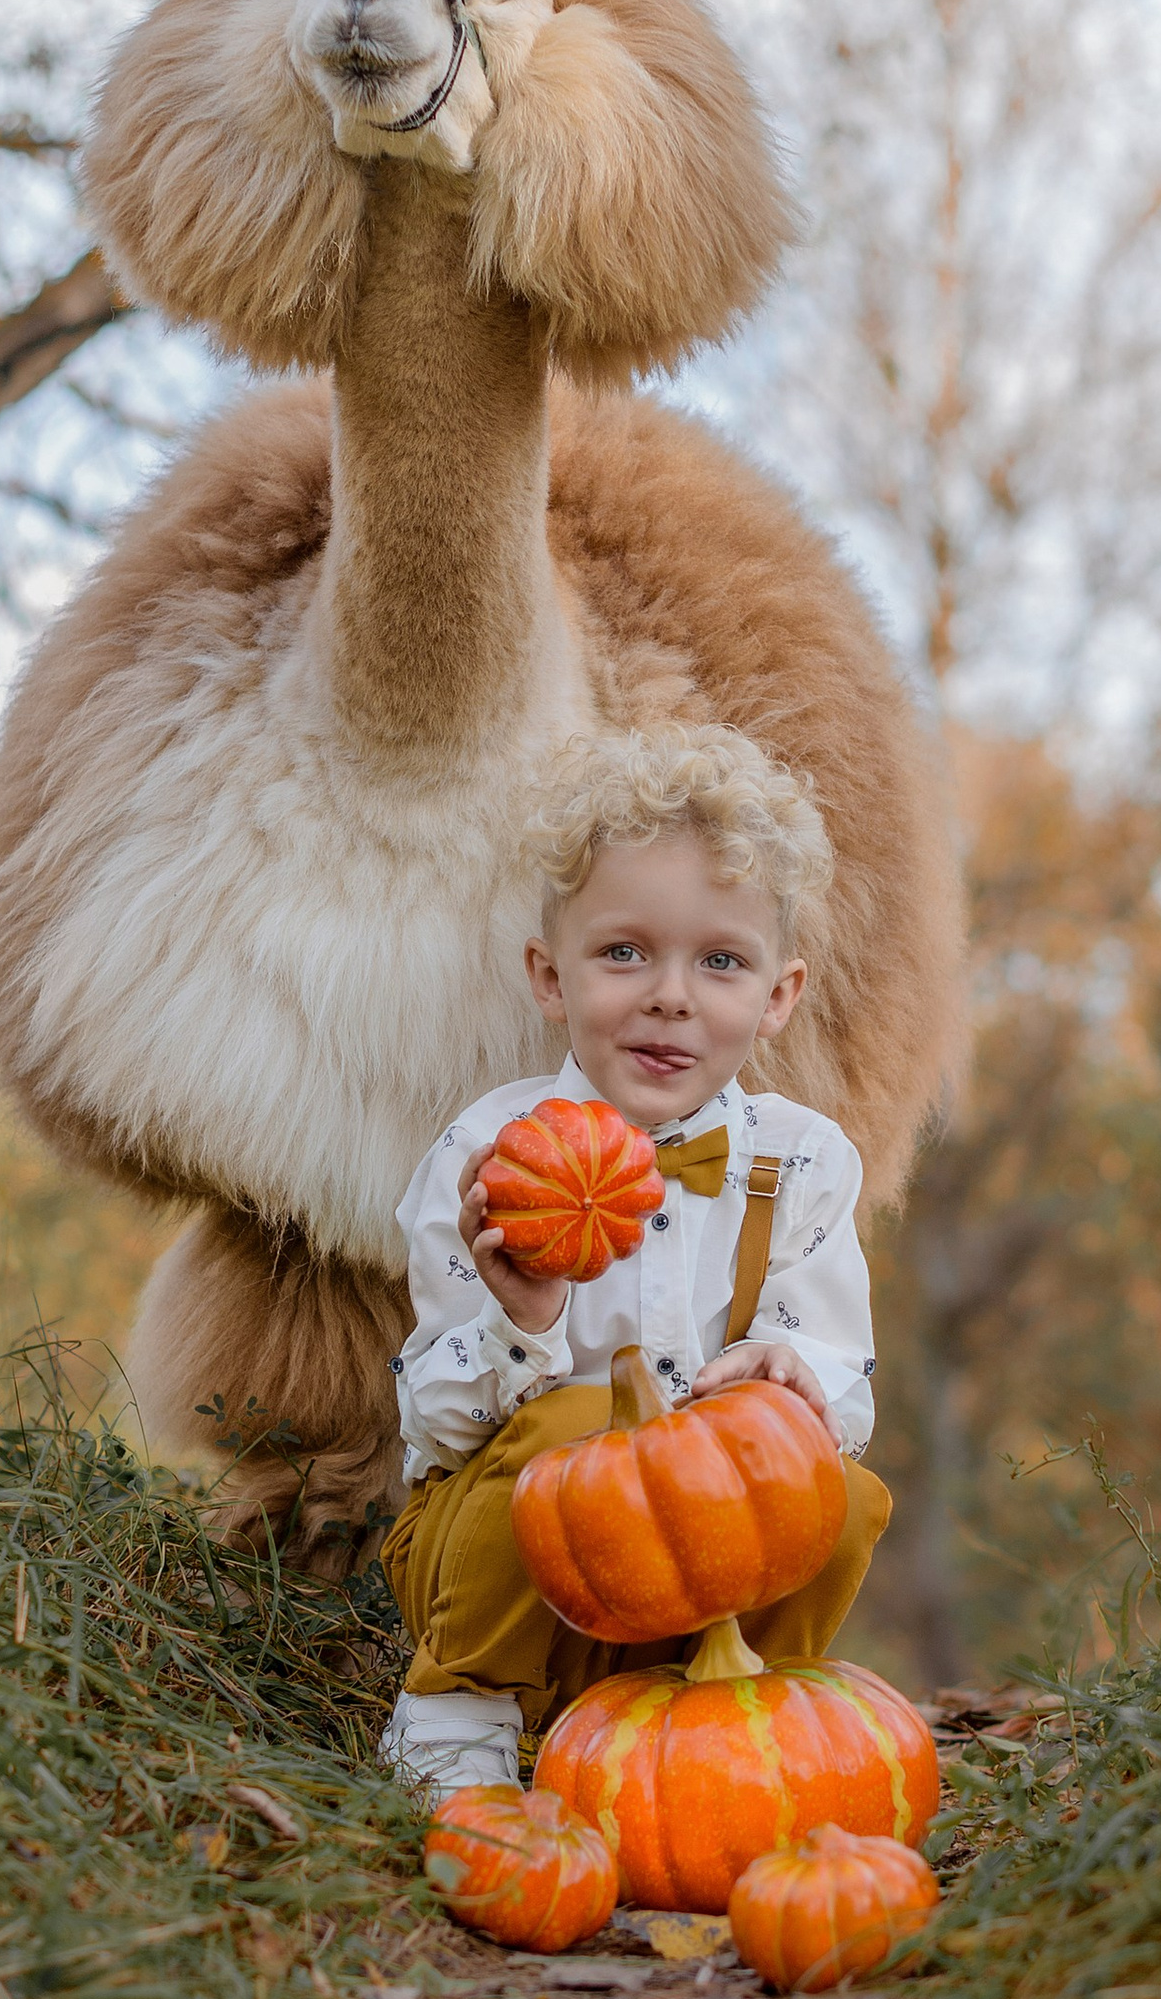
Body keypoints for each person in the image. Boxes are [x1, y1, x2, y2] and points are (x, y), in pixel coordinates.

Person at [378, 724, 890, 1802]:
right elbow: (434, 1429)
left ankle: (727, 1715)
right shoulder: (489, 1155)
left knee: (837, 1492)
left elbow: (841, 1376)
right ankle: (459, 1715)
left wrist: (792, 1379)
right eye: (623, 952)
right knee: (575, 1422)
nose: (670, 995)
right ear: (548, 976)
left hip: (688, 1579)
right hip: (499, 1569)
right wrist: (525, 1316)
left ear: (779, 994)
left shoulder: (804, 1161)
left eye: (720, 961)